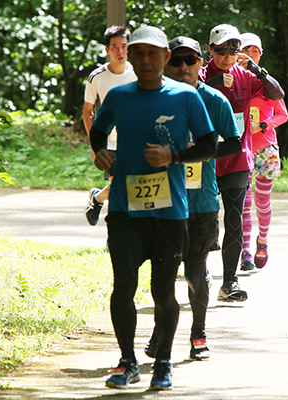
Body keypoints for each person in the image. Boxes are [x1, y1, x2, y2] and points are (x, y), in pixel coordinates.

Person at [90, 26, 218, 391]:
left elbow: (209, 144)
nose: (145, 60)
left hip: (169, 213)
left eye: (153, 54)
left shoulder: (185, 97)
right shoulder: (119, 97)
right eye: (139, 53)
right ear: (129, 56)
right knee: (123, 287)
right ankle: (127, 361)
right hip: (126, 211)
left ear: (164, 57)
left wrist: (174, 156)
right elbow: (98, 132)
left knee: (163, 292)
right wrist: (101, 154)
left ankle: (162, 363)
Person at [144, 36, 241, 361]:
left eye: (191, 61)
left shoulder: (214, 101)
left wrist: (192, 154)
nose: (183, 67)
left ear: (201, 63)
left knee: (195, 272)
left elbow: (234, 143)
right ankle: (161, 332)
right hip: (162, 200)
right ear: (167, 62)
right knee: (163, 271)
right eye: (177, 61)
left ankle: (198, 333)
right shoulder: (153, 100)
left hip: (201, 203)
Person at [199, 24, 285, 302]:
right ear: (210, 50)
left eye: (233, 50)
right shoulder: (201, 74)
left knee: (234, 221)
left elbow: (277, 95)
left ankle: (230, 283)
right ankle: (200, 273)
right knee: (204, 222)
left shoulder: (245, 75)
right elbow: (183, 92)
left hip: (238, 159)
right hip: (205, 161)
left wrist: (257, 70)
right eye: (222, 50)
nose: (227, 56)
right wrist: (212, 84)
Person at [238, 33, 288, 270]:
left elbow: (283, 114)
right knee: (244, 202)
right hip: (241, 148)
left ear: (260, 53)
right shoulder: (234, 80)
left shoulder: (268, 83)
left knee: (262, 202)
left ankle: (263, 241)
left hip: (266, 150)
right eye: (245, 49)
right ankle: (245, 252)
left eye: (254, 50)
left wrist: (263, 125)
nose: (250, 53)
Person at [83, 26, 137, 226]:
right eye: (115, 47)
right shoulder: (96, 77)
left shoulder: (138, 73)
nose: (120, 52)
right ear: (107, 50)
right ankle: (114, 233)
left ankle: (98, 197)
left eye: (124, 46)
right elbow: (87, 112)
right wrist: (94, 145)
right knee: (121, 189)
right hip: (109, 143)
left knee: (130, 188)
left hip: (133, 141)